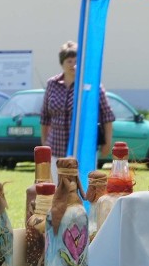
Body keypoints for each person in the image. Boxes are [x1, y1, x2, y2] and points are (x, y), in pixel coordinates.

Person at [40, 40, 114, 173]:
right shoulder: (52, 84)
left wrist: (107, 143)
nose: (73, 65)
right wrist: (45, 142)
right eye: (69, 61)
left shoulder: (92, 85)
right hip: (56, 149)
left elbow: (107, 115)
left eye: (76, 61)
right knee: (58, 191)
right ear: (62, 63)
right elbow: (45, 117)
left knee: (83, 190)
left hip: (83, 150)